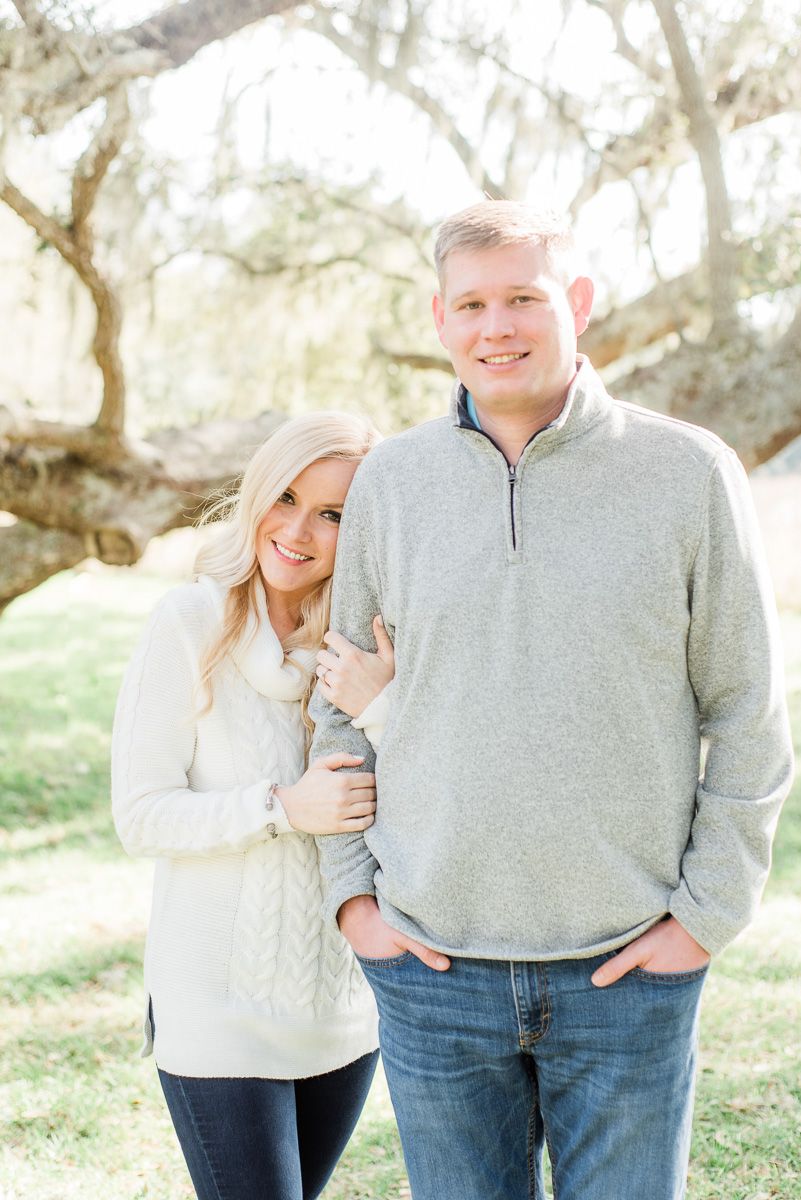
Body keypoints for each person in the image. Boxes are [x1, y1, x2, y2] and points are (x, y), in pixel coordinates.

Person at [309, 202, 795, 1200]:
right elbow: (338, 707)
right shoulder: (391, 482)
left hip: (627, 971)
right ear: (440, 319)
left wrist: (705, 916)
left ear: (576, 301)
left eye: (523, 298)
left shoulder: (687, 472)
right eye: (471, 304)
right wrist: (355, 901)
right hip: (432, 971)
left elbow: (748, 712)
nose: (498, 327)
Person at [111, 411, 396, 1200]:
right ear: (257, 494)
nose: (298, 531)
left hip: (340, 1011)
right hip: (217, 1013)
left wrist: (380, 705)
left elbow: (427, 802)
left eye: (332, 514)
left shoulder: (370, 642)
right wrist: (280, 808)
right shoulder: (189, 623)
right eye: (286, 498)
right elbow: (142, 813)